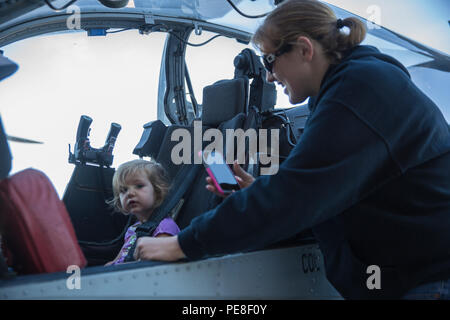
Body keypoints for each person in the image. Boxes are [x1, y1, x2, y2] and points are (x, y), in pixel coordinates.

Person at [130, 0, 450, 299]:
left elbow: (293, 196)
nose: (270, 75)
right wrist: (261, 191)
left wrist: (183, 244)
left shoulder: (357, 91)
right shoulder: (351, 87)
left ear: (303, 49)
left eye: (270, 60)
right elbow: (318, 197)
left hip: (429, 282)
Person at [105, 159, 180, 266]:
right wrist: (112, 263)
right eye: (124, 190)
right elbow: (123, 255)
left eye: (139, 186)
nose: (130, 193)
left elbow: (156, 264)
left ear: (157, 191)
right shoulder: (133, 228)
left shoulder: (165, 227)